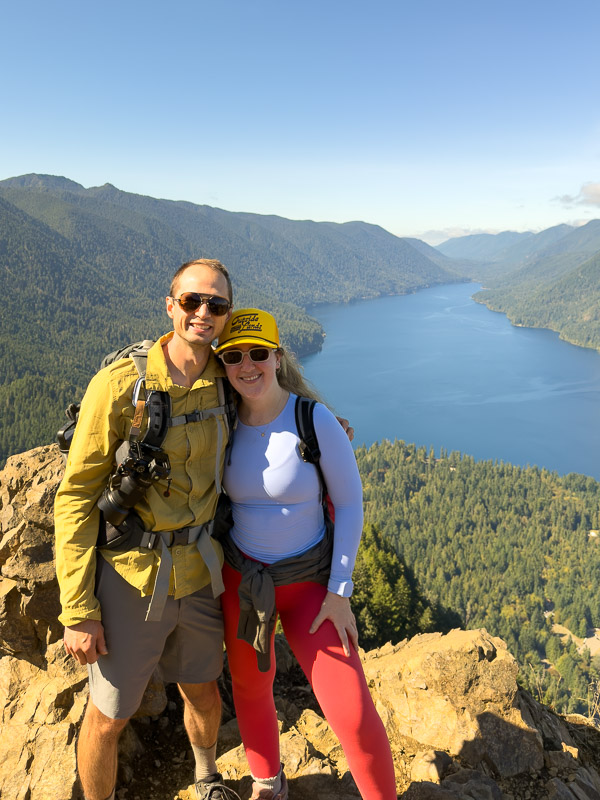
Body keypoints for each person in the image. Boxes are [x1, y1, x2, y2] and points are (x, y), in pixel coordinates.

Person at [54, 259, 242, 800]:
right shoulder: (121, 386)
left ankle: (206, 777)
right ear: (170, 305)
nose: (203, 312)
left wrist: (323, 423)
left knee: (203, 692)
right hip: (131, 576)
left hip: (200, 572)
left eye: (216, 304)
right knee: (109, 716)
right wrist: (79, 609)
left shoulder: (228, 377)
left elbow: (278, 392)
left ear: (227, 314)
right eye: (191, 301)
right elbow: (75, 497)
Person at [214, 308, 397, 800]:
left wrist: (340, 592)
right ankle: (268, 782)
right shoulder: (220, 423)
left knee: (352, 710)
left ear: (277, 357)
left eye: (258, 353)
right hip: (245, 582)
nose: (247, 365)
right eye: (233, 356)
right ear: (222, 363)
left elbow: (350, 504)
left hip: (311, 585)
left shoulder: (312, 420)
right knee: (250, 687)